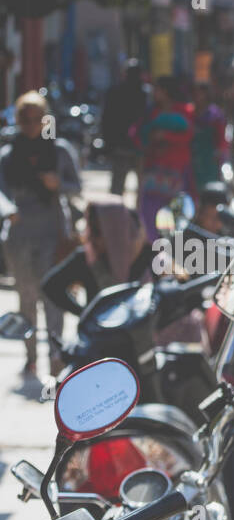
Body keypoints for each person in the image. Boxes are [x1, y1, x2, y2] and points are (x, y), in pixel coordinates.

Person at [0, 91, 82, 376]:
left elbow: (77, 187)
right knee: (26, 300)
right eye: (26, 119)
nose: (32, 124)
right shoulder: (9, 155)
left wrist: (57, 184)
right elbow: (1, 192)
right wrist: (8, 208)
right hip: (20, 236)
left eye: (37, 119)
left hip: (52, 232)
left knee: (53, 298)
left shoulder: (59, 151)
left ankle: (57, 357)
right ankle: (30, 354)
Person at [42, 197, 150, 316]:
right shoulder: (87, 258)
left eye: (99, 230)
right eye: (92, 229)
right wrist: (84, 314)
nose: (92, 238)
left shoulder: (145, 253)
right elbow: (51, 286)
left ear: (117, 228)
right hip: (99, 332)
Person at [135, 75, 193, 241]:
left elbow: (188, 136)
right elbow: (138, 135)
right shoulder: (151, 112)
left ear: (166, 92)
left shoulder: (184, 111)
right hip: (153, 173)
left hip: (175, 174)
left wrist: (165, 136)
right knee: (148, 216)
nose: (154, 92)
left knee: (173, 219)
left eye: (157, 89)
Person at [101, 60, 147, 201]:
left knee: (120, 188)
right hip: (131, 147)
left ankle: (117, 216)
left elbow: (106, 119)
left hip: (132, 147)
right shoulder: (145, 94)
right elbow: (107, 119)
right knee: (138, 188)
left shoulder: (117, 92)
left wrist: (108, 143)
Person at [189, 82, 229, 189]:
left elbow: (221, 139)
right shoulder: (190, 112)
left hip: (210, 159)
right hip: (194, 158)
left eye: (200, 93)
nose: (197, 96)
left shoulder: (215, 114)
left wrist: (220, 155)